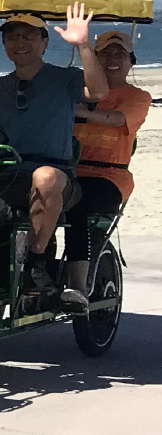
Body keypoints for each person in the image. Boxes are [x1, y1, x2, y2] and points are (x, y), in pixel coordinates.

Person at [0, 7, 107, 305]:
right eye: (12, 37)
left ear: (45, 42)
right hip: (6, 180)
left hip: (57, 179)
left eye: (28, 36)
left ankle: (36, 265)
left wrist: (83, 45)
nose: (19, 42)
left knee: (44, 176)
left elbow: (98, 92)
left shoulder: (65, 79)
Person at [66, 29, 149, 295]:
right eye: (105, 53)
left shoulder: (137, 97)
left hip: (109, 177)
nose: (112, 59)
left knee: (78, 206)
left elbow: (116, 119)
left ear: (130, 61)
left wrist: (77, 112)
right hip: (71, 171)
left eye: (120, 54)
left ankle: (78, 284)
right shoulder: (78, 92)